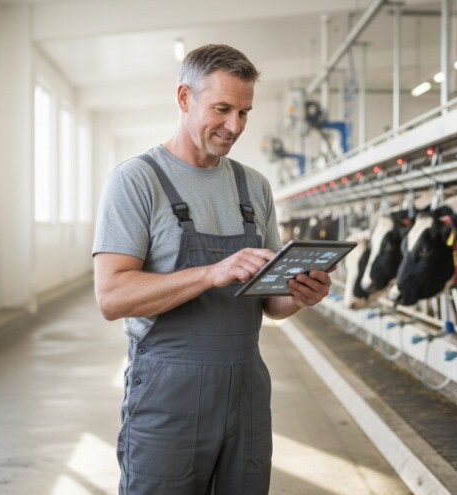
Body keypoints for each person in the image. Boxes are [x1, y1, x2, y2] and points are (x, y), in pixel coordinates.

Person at [92, 44, 332, 495]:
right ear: (184, 98)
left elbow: (273, 303)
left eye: (244, 112)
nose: (234, 126)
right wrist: (209, 273)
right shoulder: (136, 181)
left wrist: (299, 293)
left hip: (246, 391)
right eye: (222, 109)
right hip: (169, 396)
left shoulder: (254, 187)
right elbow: (111, 297)